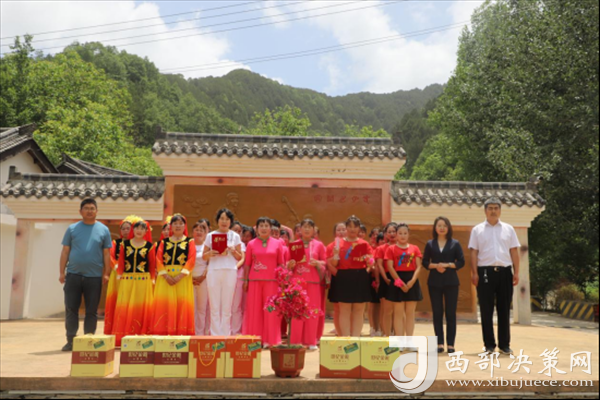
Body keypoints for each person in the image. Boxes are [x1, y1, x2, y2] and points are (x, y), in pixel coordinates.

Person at [59, 198, 112, 352]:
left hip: (94, 277)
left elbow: (106, 253)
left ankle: (88, 340)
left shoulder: (104, 230)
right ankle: (71, 340)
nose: (89, 211)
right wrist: (61, 272)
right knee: (71, 309)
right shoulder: (72, 229)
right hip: (73, 275)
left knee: (91, 311)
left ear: (97, 211)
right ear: (80, 211)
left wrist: (106, 273)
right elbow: (65, 251)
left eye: (92, 208)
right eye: (86, 208)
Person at [468, 198, 520, 355]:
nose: (493, 211)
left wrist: (516, 272)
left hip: (505, 271)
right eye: (490, 208)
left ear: (500, 210)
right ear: (485, 210)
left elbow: (514, 251)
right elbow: (473, 252)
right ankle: (489, 345)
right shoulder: (477, 230)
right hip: (484, 272)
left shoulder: (508, 229)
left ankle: (504, 345)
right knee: (486, 309)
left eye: (496, 208)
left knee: (504, 309)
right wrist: (474, 273)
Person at [327, 216, 375, 337]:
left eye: (355, 226)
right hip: (344, 276)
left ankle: (355, 338)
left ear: (359, 228)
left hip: (360, 277)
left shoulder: (364, 243)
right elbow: (334, 263)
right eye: (350, 226)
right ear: (346, 228)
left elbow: (371, 262)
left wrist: (369, 262)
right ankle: (345, 338)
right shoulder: (339, 243)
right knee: (345, 309)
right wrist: (336, 255)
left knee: (359, 310)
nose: (352, 229)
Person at [242, 217, 287, 348]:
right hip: (255, 281)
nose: (264, 228)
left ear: (270, 228)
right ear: (257, 229)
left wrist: (283, 280)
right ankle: (255, 339)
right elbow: (247, 264)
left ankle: (270, 340)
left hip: (272, 281)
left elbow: (281, 263)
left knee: (271, 311)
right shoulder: (251, 244)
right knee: (254, 311)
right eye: (261, 226)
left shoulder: (278, 243)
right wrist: (245, 280)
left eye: (266, 226)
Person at [423, 217, 465, 354]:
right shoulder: (430, 244)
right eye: (439, 225)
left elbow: (461, 262)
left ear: (448, 228)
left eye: (444, 225)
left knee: (450, 313)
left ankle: (451, 344)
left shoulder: (455, 243)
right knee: (437, 313)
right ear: (435, 228)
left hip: (451, 282)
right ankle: (439, 343)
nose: (442, 228)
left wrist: (447, 265)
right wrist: (436, 266)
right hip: (434, 282)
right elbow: (425, 262)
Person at [113, 218, 156, 346]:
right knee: (125, 306)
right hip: (127, 279)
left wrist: (152, 279)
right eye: (137, 228)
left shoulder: (149, 246)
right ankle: (124, 336)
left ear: (146, 231)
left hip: (144, 280)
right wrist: (119, 275)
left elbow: (152, 263)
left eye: (142, 228)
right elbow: (121, 260)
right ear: (133, 230)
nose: (139, 230)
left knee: (142, 307)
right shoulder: (125, 245)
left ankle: (142, 335)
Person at [152, 214, 196, 336]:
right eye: (175, 223)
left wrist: (179, 276)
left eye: (180, 223)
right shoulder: (163, 242)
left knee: (181, 304)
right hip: (164, 278)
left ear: (185, 226)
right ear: (171, 226)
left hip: (182, 279)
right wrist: (166, 276)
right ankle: (162, 333)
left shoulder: (190, 242)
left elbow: (191, 260)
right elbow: (158, 259)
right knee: (164, 304)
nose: (178, 226)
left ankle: (181, 334)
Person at [203, 208, 244, 336]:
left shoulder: (235, 236)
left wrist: (233, 251)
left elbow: (239, 257)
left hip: (230, 271)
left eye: (227, 219)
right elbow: (204, 256)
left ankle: (225, 334)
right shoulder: (210, 236)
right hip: (214, 271)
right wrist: (210, 253)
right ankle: (215, 334)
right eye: (222, 219)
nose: (224, 221)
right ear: (217, 220)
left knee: (227, 306)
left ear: (231, 221)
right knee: (214, 305)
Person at [288, 219, 326, 350]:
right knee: (297, 312)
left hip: (313, 282)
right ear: (300, 229)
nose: (307, 229)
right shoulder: (294, 245)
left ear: (314, 230)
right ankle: (295, 341)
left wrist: (318, 263)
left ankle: (311, 341)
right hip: (297, 283)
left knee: (312, 311)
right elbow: (288, 264)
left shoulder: (319, 245)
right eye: (304, 227)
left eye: (310, 227)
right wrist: (290, 265)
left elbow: (325, 262)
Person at [384, 223, 423, 351]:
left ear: (409, 234)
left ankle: (409, 341)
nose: (402, 236)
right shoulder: (391, 249)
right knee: (398, 313)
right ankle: (400, 341)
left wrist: (412, 282)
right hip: (397, 280)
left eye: (405, 233)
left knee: (410, 313)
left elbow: (419, 266)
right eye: (400, 233)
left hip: (411, 280)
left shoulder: (414, 248)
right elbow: (390, 267)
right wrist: (399, 283)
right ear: (396, 235)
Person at [104, 217, 133, 336]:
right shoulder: (116, 243)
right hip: (117, 276)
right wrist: (119, 268)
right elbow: (110, 257)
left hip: (132, 276)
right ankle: (116, 329)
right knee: (117, 301)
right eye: (123, 229)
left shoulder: (138, 243)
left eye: (128, 228)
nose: (126, 231)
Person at [374, 223, 398, 337]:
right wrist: (385, 278)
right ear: (385, 234)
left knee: (399, 310)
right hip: (386, 279)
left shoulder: (402, 247)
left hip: (399, 278)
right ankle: (385, 333)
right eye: (389, 232)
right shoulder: (381, 248)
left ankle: (397, 333)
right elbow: (379, 265)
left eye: (394, 231)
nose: (392, 234)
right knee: (386, 310)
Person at [192, 219, 211, 336]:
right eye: (196, 230)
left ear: (205, 233)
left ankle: (200, 334)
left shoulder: (207, 247)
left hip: (203, 280)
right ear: (192, 232)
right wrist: (190, 278)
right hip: (189, 281)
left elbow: (210, 264)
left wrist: (202, 277)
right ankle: (192, 332)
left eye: (201, 230)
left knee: (202, 308)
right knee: (192, 308)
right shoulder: (188, 246)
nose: (199, 232)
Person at [231, 221, 246, 335]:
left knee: (236, 306)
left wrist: (234, 268)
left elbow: (242, 259)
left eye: (239, 231)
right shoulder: (223, 241)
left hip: (238, 276)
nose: (237, 233)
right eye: (235, 230)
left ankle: (236, 331)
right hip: (224, 275)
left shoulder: (241, 244)